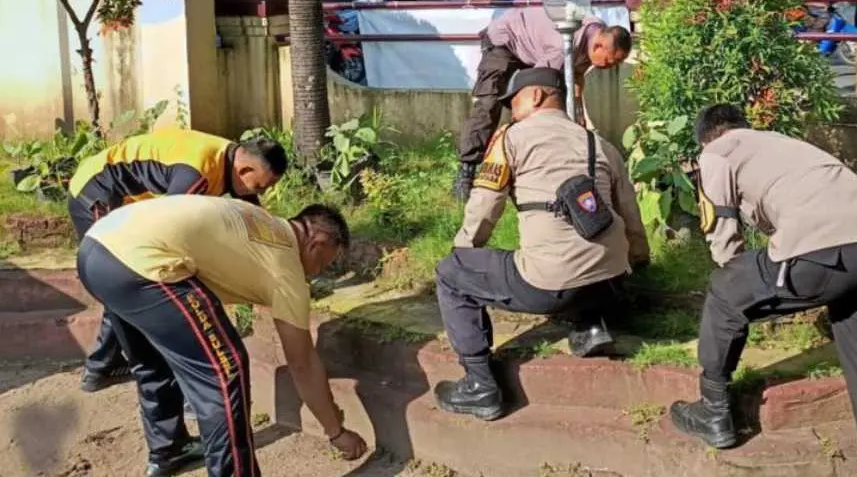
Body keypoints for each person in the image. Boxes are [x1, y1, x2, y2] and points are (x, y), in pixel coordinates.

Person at [669, 104, 857, 477]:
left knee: (725, 289)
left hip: (825, 256)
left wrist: (735, 270)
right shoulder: (786, 145)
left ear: (709, 136)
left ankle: (712, 409)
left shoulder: (717, 151)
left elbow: (725, 238)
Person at [77, 195, 368, 477]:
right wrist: (336, 432)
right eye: (324, 264)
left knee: (153, 361)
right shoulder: (286, 269)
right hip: (145, 265)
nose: (317, 273)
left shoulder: (257, 218)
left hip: (97, 249)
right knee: (224, 368)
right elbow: (302, 363)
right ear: (316, 243)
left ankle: (168, 449)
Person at [434, 67, 650, 421]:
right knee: (581, 249)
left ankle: (479, 385)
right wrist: (638, 264)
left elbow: (485, 208)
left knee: (450, 275)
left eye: (513, 101)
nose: (510, 110)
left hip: (551, 285)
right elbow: (632, 218)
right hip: (611, 281)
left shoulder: (513, 138)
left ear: (535, 96)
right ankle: (591, 327)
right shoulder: (600, 143)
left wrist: (463, 254)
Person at [68, 128, 289, 393]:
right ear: (244, 170)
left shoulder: (231, 159)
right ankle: (141, 369)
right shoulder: (196, 175)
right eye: (260, 186)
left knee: (124, 282)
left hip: (127, 199)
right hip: (98, 190)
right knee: (122, 276)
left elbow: (251, 212)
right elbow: (170, 232)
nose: (260, 193)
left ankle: (101, 366)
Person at [453, 7, 633, 201]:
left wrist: (579, 113)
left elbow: (577, 74)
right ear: (598, 46)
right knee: (491, 105)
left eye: (615, 64)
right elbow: (539, 88)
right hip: (505, 39)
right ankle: (466, 173)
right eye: (609, 62)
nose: (609, 67)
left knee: (551, 106)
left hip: (535, 50)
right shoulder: (563, 46)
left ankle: (533, 166)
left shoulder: (597, 34)